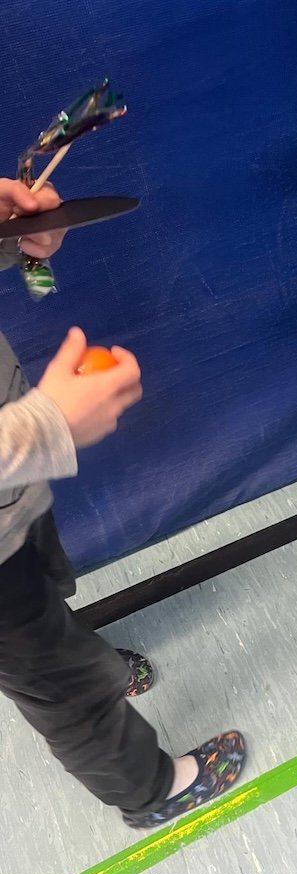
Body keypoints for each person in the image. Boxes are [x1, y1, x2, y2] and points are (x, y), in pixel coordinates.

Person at [0, 177, 244, 828]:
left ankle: (81, 659)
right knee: (66, 693)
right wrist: (41, 429)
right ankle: (151, 793)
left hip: (12, 500)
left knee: (45, 602)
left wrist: (8, 240)